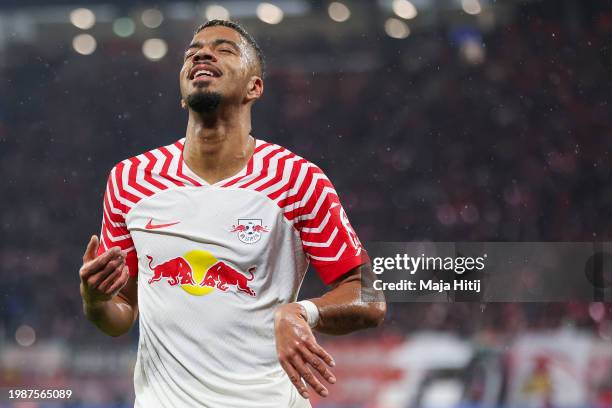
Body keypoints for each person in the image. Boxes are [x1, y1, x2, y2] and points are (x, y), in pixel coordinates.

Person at [79, 19, 386, 408]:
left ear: (254, 87)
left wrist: (302, 312)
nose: (202, 53)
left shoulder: (297, 180)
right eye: (192, 53)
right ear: (182, 90)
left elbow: (370, 297)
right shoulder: (130, 180)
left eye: (223, 49)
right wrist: (95, 301)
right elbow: (121, 313)